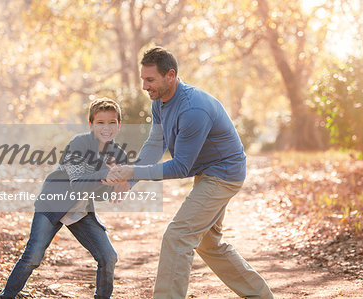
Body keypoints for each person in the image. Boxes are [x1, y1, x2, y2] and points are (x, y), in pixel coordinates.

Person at [106, 47, 274, 298]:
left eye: (150, 80)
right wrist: (131, 178)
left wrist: (130, 170)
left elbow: (181, 167)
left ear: (170, 76)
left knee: (178, 236)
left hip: (223, 173)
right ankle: (260, 296)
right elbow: (155, 143)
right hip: (208, 172)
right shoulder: (160, 102)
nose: (144, 86)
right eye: (143, 79)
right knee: (209, 243)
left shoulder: (193, 109)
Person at [0, 98, 130, 299]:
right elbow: (77, 183)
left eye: (112, 122)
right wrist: (105, 174)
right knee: (33, 257)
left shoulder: (118, 154)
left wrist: (115, 185)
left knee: (108, 257)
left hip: (80, 210)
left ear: (119, 125)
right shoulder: (78, 143)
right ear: (91, 125)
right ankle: (6, 296)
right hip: (52, 202)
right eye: (100, 123)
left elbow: (101, 193)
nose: (106, 128)